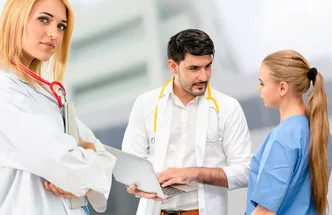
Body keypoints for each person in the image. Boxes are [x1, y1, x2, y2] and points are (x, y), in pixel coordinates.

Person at [0, 0, 116, 215]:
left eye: (61, 26)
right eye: (44, 19)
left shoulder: (42, 92)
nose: (54, 33)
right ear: (16, 17)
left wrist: (86, 163)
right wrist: (86, 161)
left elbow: (101, 155)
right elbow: (67, 164)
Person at [122, 29, 252, 215]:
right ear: (173, 66)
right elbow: (131, 160)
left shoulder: (228, 108)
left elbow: (245, 171)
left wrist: (193, 173)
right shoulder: (145, 104)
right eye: (194, 69)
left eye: (207, 66)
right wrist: (136, 183)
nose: (204, 76)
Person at [245, 50, 331, 215]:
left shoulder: (282, 139)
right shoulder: (321, 134)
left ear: (283, 88)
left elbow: (265, 212)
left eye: (262, 83)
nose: (258, 89)